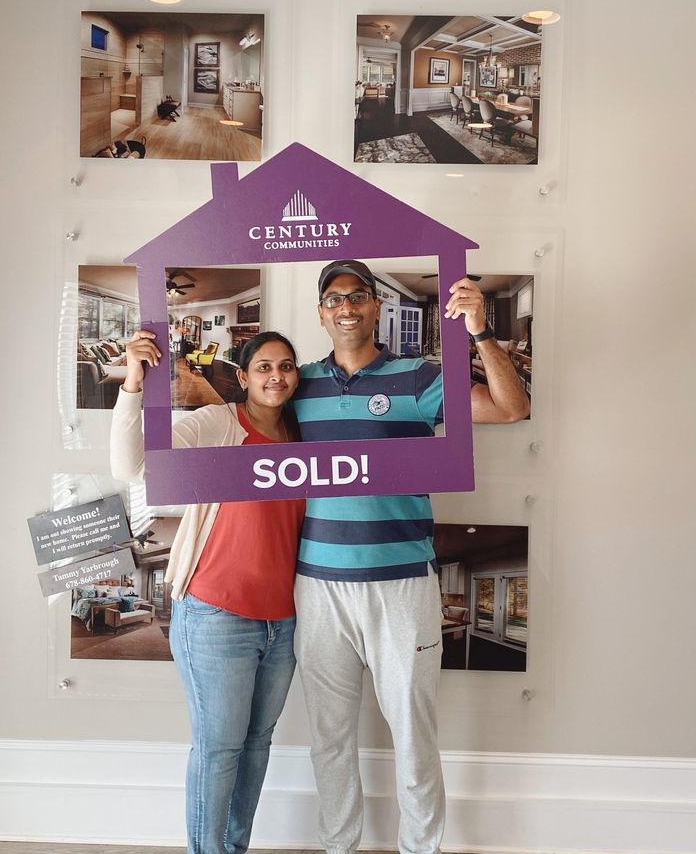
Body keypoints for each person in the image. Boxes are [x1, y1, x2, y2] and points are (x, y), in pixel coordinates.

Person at [292, 260, 530, 854]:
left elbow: (510, 408)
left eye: (359, 296)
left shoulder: (418, 378)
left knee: (413, 735)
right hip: (318, 586)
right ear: (321, 312)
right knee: (329, 737)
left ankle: (421, 849)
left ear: (376, 308)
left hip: (402, 585)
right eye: (335, 297)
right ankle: (338, 847)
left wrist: (480, 330)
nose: (347, 306)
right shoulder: (295, 386)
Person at [110, 329, 304, 854]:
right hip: (216, 614)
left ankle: (233, 848)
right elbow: (134, 468)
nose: (276, 376)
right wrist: (132, 382)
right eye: (263, 367)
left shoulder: (306, 436)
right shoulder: (220, 423)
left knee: (256, 745)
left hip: (283, 624)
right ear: (242, 377)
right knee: (220, 749)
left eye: (286, 366)